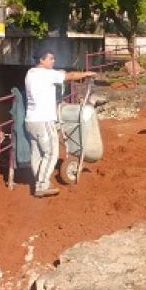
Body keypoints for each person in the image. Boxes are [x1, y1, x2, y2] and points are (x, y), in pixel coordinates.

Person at [25, 50, 96, 197]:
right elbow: (69, 76)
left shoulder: (31, 73)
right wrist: (86, 74)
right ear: (42, 60)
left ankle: (39, 180)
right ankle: (42, 186)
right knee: (51, 152)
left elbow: (55, 74)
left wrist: (58, 72)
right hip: (43, 120)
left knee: (36, 153)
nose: (53, 61)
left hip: (30, 120)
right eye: (51, 59)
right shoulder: (47, 75)